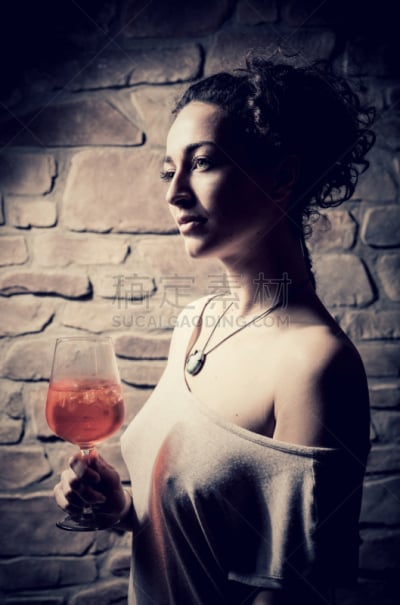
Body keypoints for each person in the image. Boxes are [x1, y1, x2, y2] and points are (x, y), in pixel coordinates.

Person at [54, 54, 375, 604]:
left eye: (202, 163)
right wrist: (123, 510)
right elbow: (196, 542)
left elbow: (295, 593)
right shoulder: (195, 322)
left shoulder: (316, 366)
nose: (174, 192)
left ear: (282, 177)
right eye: (168, 171)